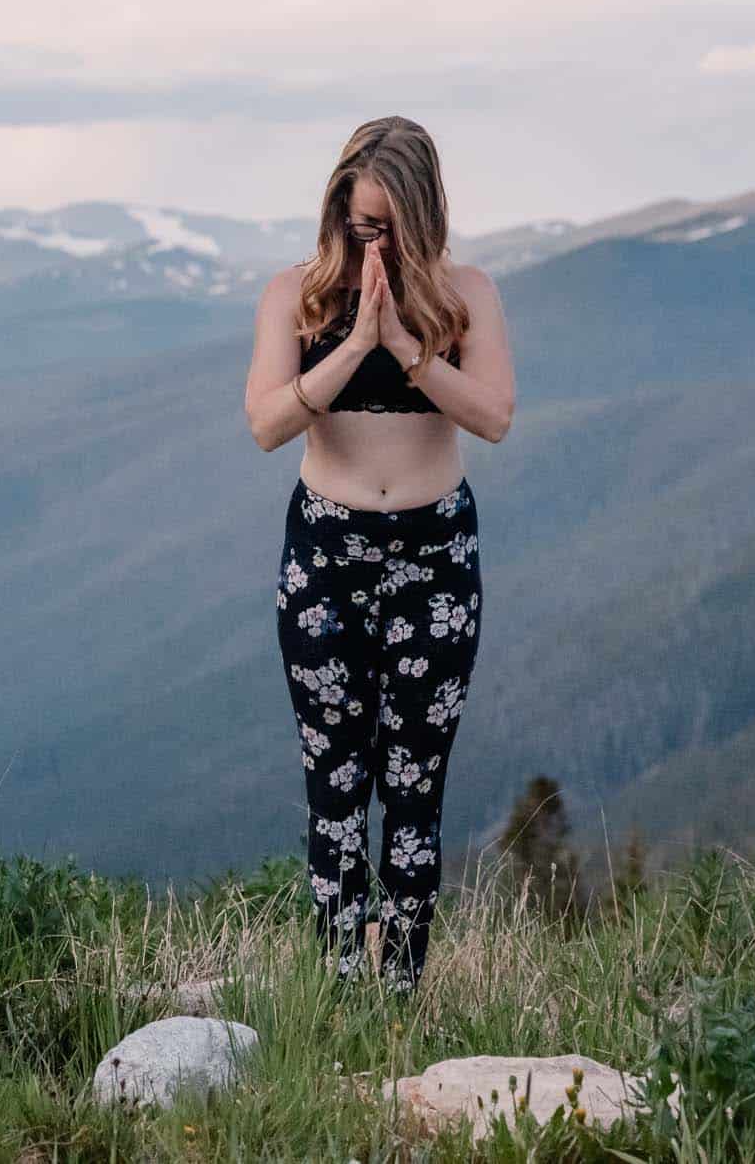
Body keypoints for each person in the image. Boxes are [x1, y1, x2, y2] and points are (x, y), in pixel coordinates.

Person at [243, 116, 515, 995]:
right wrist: (355, 344)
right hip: (326, 557)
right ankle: (337, 986)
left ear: (424, 219)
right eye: (360, 225)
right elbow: (266, 423)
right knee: (334, 785)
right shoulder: (298, 295)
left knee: (413, 789)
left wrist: (405, 343)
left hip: (436, 557)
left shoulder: (466, 294)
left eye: (389, 228)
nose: (372, 244)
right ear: (337, 214)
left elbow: (495, 415)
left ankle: (399, 991)